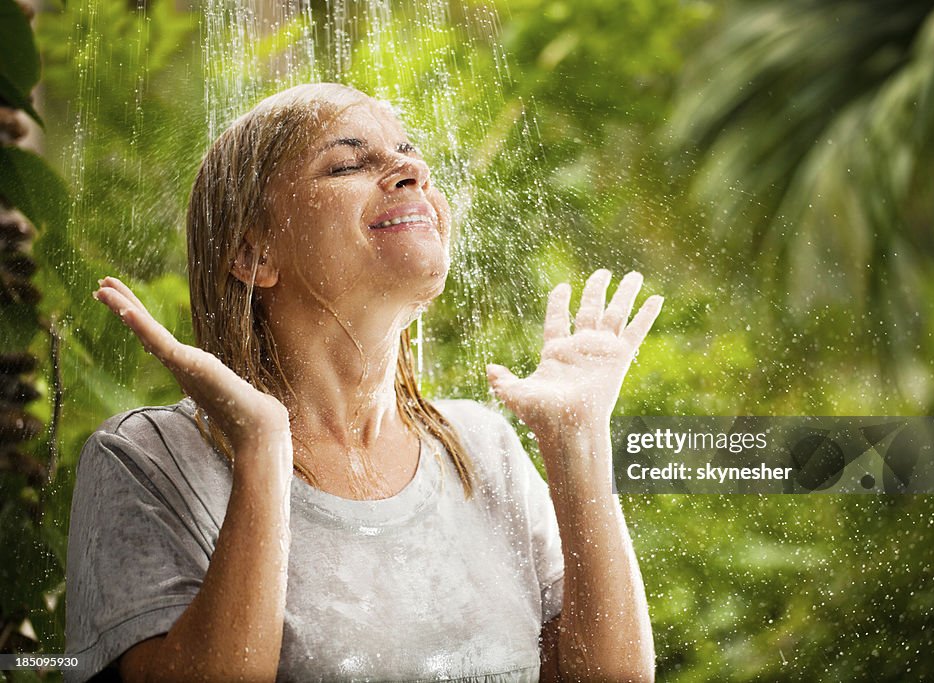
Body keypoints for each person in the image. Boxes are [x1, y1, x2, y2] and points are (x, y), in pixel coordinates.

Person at [64, 83, 662, 682]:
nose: (412, 168)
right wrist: (264, 449)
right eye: (349, 163)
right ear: (253, 254)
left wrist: (578, 443)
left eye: (408, 150)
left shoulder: (485, 450)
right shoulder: (148, 461)